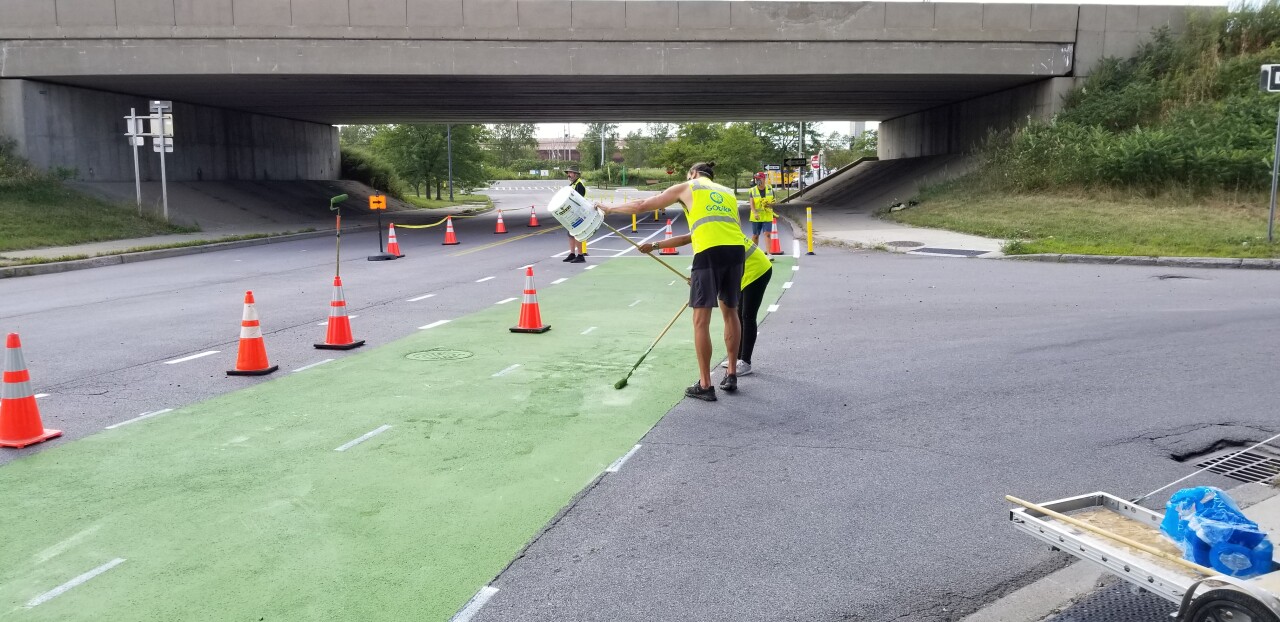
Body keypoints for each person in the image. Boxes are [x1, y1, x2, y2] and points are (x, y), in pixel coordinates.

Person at [597, 161, 744, 402]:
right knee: (731, 312)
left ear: (694, 173)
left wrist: (609, 209)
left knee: (700, 320)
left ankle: (706, 384)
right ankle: (731, 374)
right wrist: (656, 245)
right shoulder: (727, 193)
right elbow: (695, 234)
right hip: (736, 251)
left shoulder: (688, 187)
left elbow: (642, 205)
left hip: (708, 254)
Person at [641, 234, 771, 377]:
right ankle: (737, 359)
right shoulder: (709, 231)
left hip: (758, 270)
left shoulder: (714, 237)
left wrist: (702, 281)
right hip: (743, 271)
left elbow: (717, 271)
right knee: (738, 314)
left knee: (747, 315)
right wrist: (654, 246)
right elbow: (685, 239)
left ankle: (745, 362)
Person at [563, 166, 588, 264]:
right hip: (572, 213)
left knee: (576, 234)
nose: (568, 175)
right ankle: (572, 254)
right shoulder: (572, 185)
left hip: (578, 213)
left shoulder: (579, 185)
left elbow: (579, 200)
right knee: (570, 234)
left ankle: (580, 255)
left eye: (570, 173)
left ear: (575, 174)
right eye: (568, 173)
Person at [748, 172, 775, 247]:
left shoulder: (770, 189)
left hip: (767, 215)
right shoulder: (752, 190)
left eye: (759, 179)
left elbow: (774, 201)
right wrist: (755, 213)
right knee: (755, 235)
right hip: (756, 217)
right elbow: (752, 204)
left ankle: (769, 254)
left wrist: (769, 204)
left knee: (767, 234)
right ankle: (754, 253)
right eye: (756, 179)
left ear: (764, 179)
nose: (757, 180)